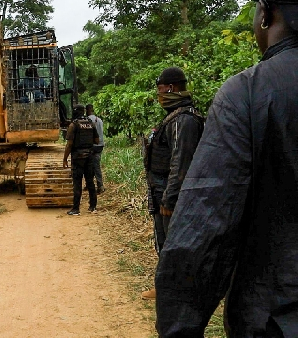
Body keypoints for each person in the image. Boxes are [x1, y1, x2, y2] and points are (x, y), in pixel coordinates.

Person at [155, 2, 298, 336]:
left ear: (265, 14)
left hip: (274, 316)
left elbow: (204, 231)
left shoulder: (247, 93)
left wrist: (179, 325)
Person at [141, 67, 204, 300]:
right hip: (162, 191)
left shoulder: (184, 120)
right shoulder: (175, 117)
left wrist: (170, 197)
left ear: (171, 88)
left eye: (160, 90)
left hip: (171, 195)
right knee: (165, 242)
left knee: (174, 243)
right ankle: (167, 286)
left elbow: (181, 162)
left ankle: (176, 291)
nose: (159, 96)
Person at [63, 104, 100, 215]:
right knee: (90, 182)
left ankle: (76, 209)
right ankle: (93, 207)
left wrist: (65, 159)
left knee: (77, 183)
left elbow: (69, 144)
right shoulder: (91, 123)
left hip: (78, 157)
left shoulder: (73, 125)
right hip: (89, 156)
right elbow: (97, 141)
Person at [86, 104, 105, 194]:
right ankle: (92, 184)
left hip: (92, 146)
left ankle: (99, 185)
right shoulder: (99, 120)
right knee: (95, 164)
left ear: (87, 110)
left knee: (93, 166)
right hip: (100, 145)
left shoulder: (87, 120)